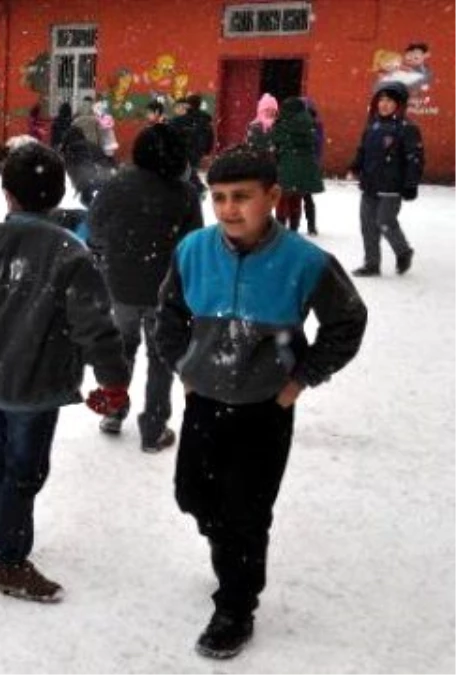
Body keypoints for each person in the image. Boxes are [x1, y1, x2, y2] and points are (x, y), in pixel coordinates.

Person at [155, 145, 367, 659]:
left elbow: (347, 322)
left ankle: (236, 605)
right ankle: (223, 539)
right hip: (204, 401)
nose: (229, 209)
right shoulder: (192, 251)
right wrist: (184, 369)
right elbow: (167, 316)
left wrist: (299, 381)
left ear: (272, 196)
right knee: (193, 495)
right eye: (219, 197)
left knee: (247, 513)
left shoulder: (306, 261)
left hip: (264, 411)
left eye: (242, 197)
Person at [0, 142, 131, 603]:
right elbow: (96, 326)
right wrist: (114, 380)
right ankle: (8, 560)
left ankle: (1, 521)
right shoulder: (71, 254)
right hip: (36, 384)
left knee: (2, 450)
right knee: (25, 468)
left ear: (7, 195)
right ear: (57, 195)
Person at [88, 123, 203, 450]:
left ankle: (113, 410)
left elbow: (94, 226)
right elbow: (194, 244)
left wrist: (116, 247)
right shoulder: (184, 194)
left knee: (121, 349)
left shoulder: (117, 184)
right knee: (161, 357)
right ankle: (153, 429)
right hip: (164, 291)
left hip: (120, 285)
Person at [348, 81, 423, 277]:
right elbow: (362, 150)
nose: (384, 104)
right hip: (370, 184)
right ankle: (372, 264)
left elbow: (414, 158)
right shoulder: (372, 125)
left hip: (392, 186)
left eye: (389, 100)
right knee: (367, 224)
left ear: (399, 104)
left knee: (384, 221)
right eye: (381, 100)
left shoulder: (407, 128)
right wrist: (356, 165)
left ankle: (403, 251)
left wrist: (410, 184)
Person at [270, 97, 324, 235]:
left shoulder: (284, 124)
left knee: (283, 199)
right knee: (298, 199)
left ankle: (280, 229)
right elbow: (316, 143)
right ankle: (294, 228)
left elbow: (275, 139)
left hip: (287, 167)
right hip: (305, 169)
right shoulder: (309, 123)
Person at [170, 94, 215, 198]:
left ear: (188, 105)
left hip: (185, 149)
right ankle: (196, 189)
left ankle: (197, 189)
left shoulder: (181, 120)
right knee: (189, 169)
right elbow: (210, 136)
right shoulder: (205, 120)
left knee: (185, 169)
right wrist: (206, 151)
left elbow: (172, 132)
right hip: (198, 150)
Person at [58, 127, 114, 208]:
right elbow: (107, 161)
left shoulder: (69, 149)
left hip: (86, 182)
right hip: (102, 178)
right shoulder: (92, 145)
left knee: (86, 201)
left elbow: (73, 169)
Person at [301, 98, 325, 235]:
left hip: (308, 165)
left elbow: (319, 145)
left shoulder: (316, 126)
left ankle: (311, 225)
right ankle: (291, 224)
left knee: (306, 197)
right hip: (299, 164)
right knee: (295, 197)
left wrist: (315, 163)